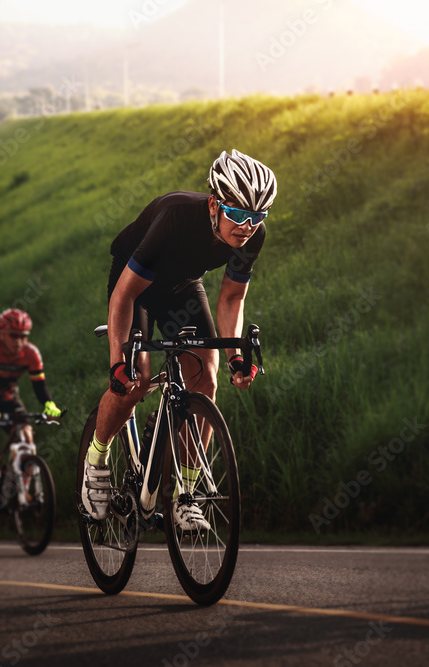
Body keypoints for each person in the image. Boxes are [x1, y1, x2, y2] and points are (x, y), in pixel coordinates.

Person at [82, 149, 276, 531]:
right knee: (134, 380)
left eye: (257, 217)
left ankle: (185, 496)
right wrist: (117, 363)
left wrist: (237, 356)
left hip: (183, 285)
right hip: (136, 282)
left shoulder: (253, 235)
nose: (247, 227)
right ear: (214, 205)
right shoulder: (175, 219)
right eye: (237, 214)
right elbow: (124, 297)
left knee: (206, 377)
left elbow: (232, 297)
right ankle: (96, 460)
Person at [0, 308, 62, 521]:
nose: (19, 341)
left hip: (8, 399)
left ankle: (22, 490)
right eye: (14, 336)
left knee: (27, 437)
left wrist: (49, 405)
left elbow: (40, 386)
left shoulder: (31, 353)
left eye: (23, 336)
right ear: (1, 333)